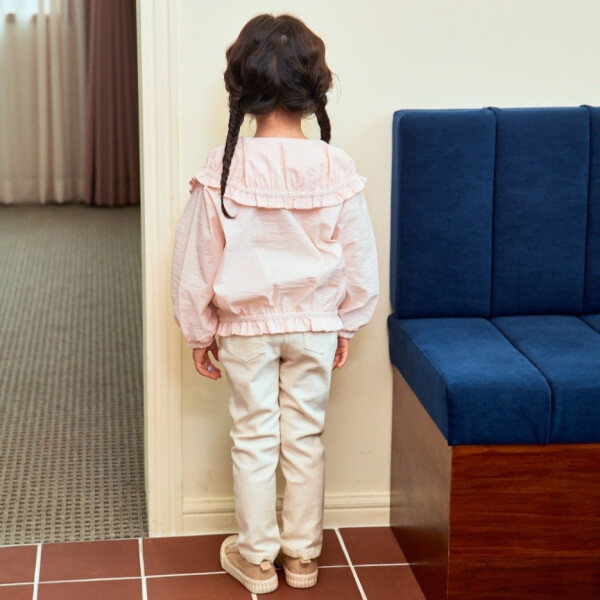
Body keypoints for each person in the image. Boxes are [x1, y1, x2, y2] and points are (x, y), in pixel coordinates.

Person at [170, 12, 379, 595]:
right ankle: (304, 557)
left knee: (253, 436)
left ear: (242, 87)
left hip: (245, 330)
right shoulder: (336, 167)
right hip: (315, 326)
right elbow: (359, 258)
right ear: (315, 88)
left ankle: (258, 559)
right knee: (306, 437)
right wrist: (346, 323)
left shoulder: (224, 167)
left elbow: (196, 261)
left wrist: (198, 331)